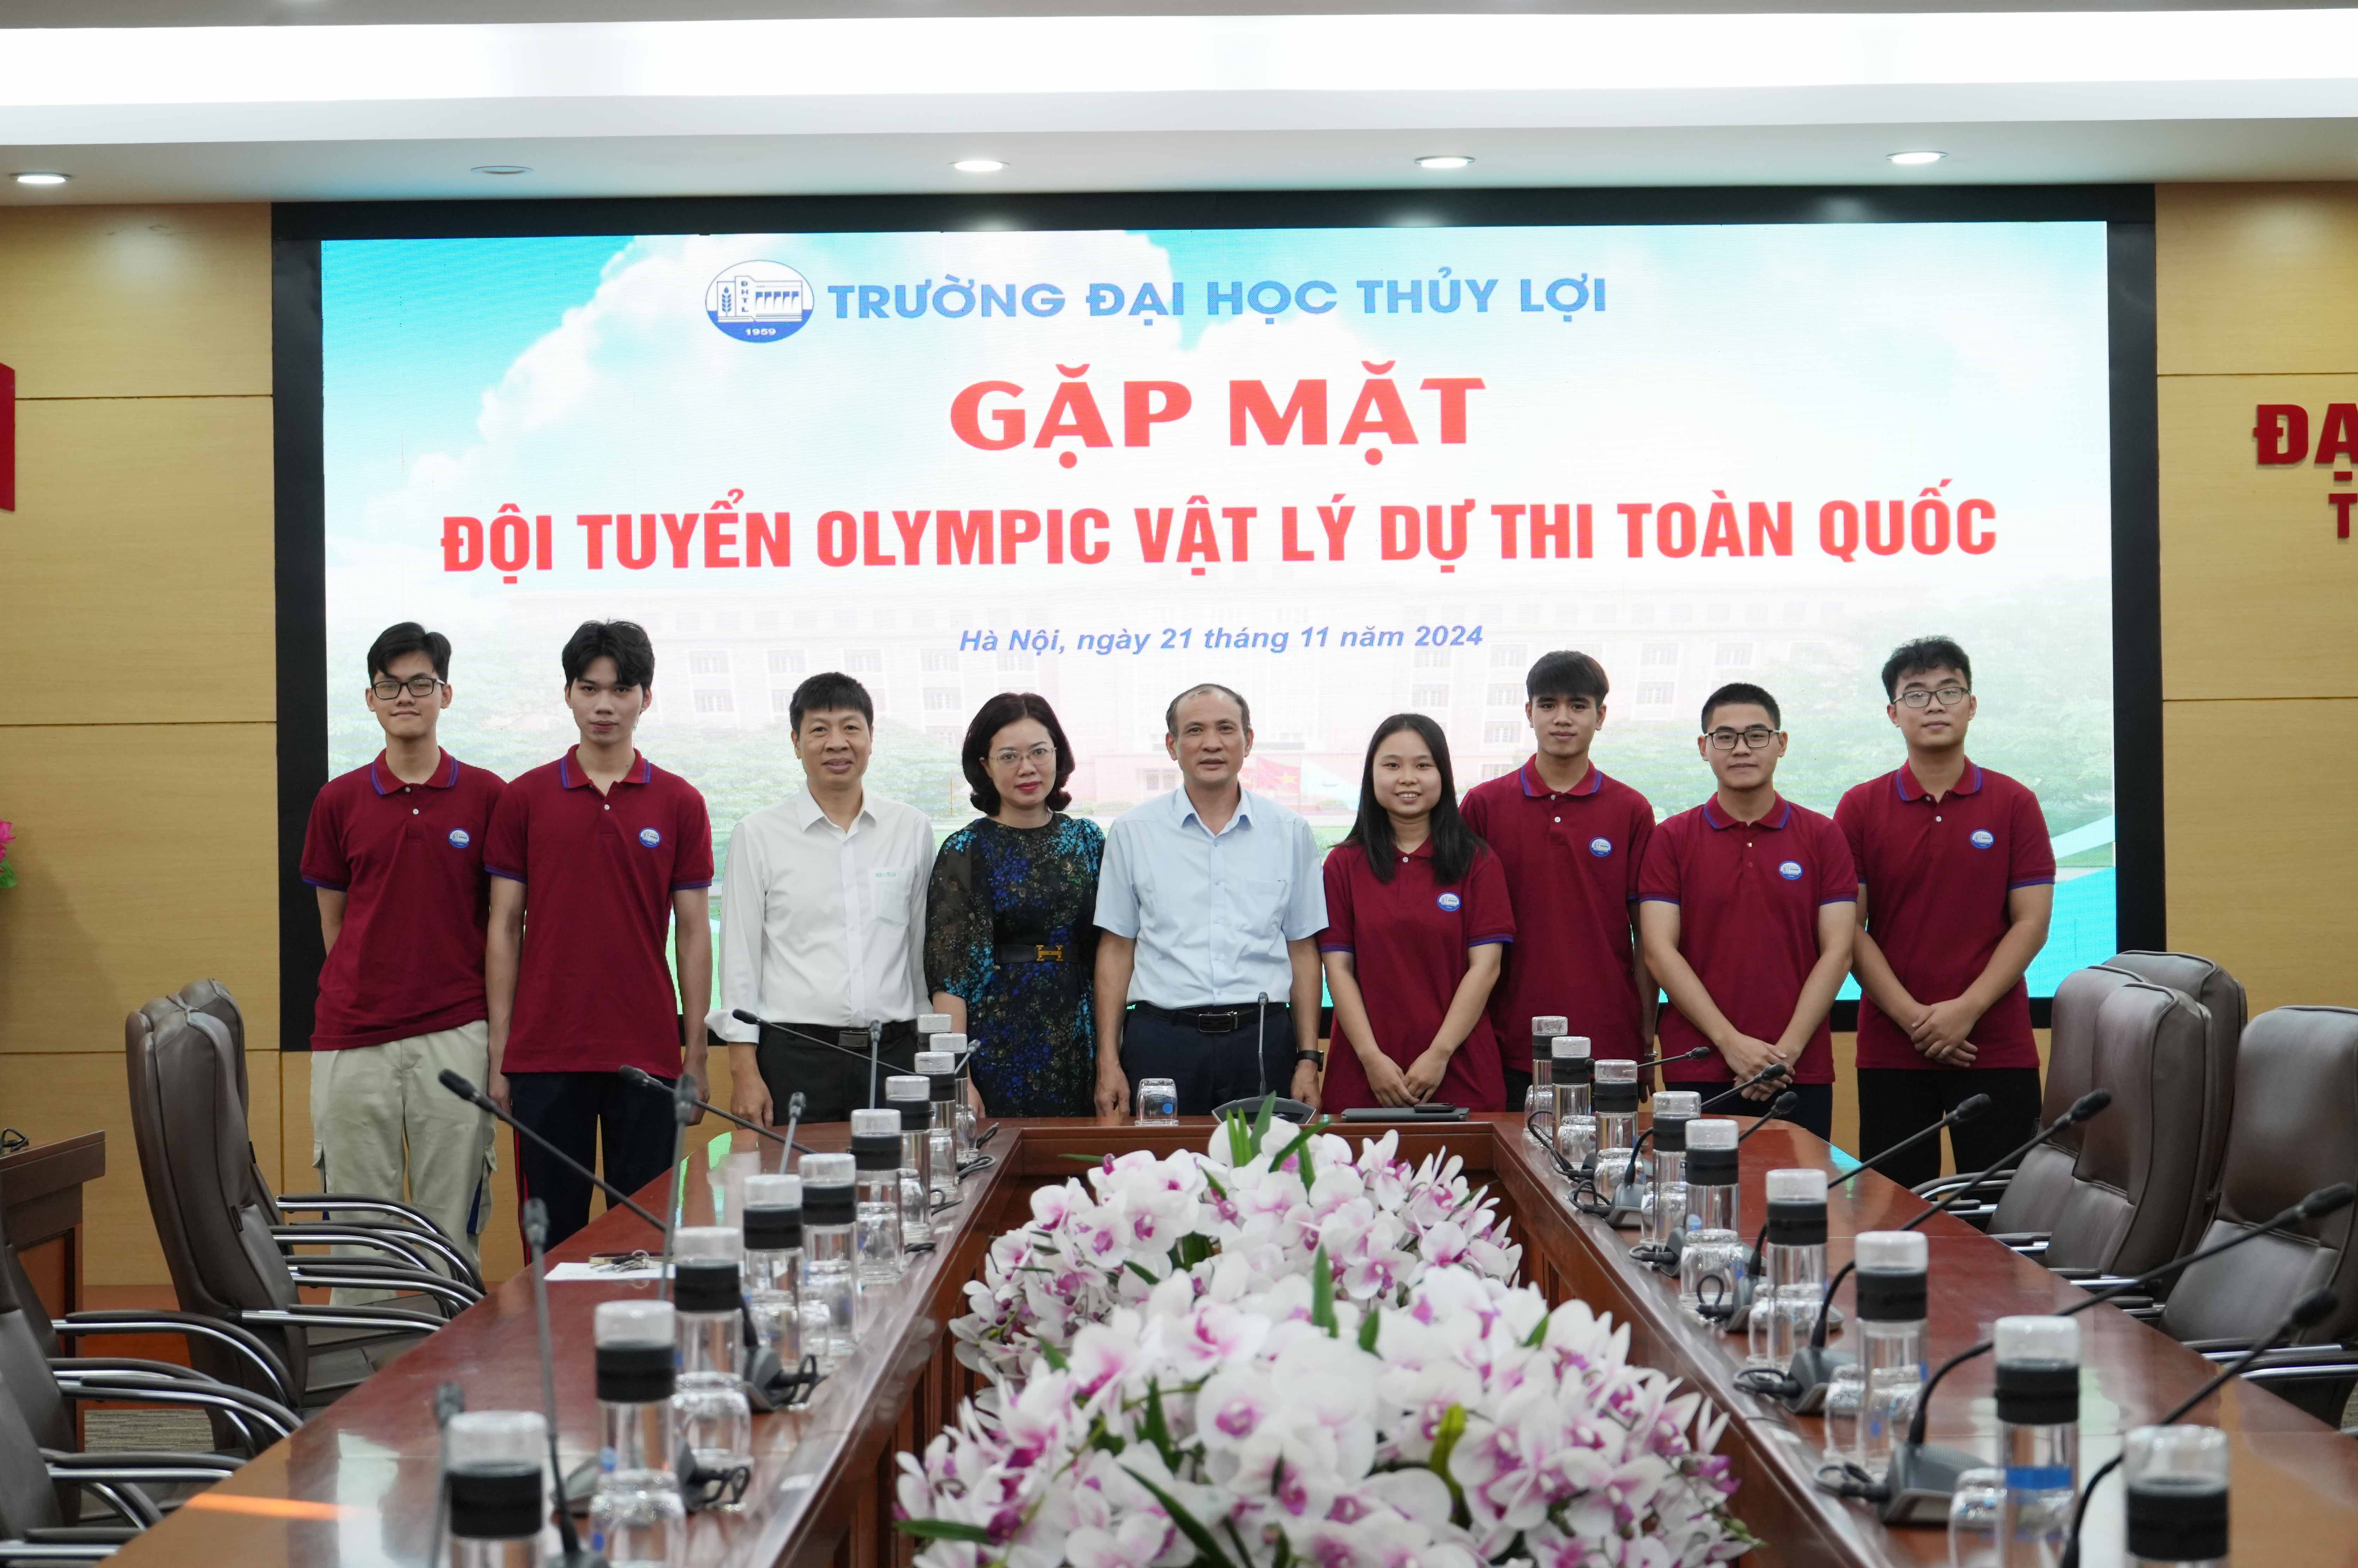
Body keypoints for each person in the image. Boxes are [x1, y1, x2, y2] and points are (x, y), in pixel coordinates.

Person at [484, 620, 713, 1246]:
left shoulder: (679, 802)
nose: (604, 705)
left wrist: (695, 1052)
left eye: (621, 689)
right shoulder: (524, 798)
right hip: (543, 1055)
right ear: (568, 694)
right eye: (589, 688)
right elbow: (503, 927)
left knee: (643, 1242)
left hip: (647, 1054)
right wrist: (500, 1051)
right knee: (552, 1245)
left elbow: (694, 933)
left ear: (646, 697)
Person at [299, 622, 502, 1278]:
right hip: (353, 1037)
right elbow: (334, 923)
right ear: (370, 699)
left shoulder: (488, 795)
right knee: (360, 1234)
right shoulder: (338, 800)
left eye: (420, 683)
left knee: (451, 1230)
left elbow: (504, 924)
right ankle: (370, 1348)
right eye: (389, 685)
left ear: (446, 693)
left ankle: (453, 1347)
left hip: (457, 1032)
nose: (405, 696)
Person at [1837, 637, 2056, 1187]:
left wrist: (1967, 1009)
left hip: (1994, 1042)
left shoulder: (2014, 803)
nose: (1934, 705)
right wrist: (1915, 1018)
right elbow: (1848, 929)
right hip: (1892, 1046)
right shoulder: (1860, 806)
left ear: (1972, 704)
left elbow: (2031, 923)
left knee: (2003, 1211)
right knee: (1894, 1210)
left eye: (1949, 691)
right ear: (1894, 713)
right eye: (1916, 694)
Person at [1093, 684, 1326, 1118]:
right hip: (1162, 1040)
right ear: (1172, 745)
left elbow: (1303, 948)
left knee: (1264, 1162)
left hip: (1262, 1039)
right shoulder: (1133, 831)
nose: (1212, 743)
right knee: (1158, 1161)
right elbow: (1116, 948)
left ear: (1248, 740)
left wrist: (1308, 1059)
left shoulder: (1290, 831)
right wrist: (1108, 1060)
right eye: (1195, 730)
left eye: (1226, 729)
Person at [1637, 682, 1856, 1140]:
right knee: (1696, 1188)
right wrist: (1730, 1044)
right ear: (1704, 747)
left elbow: (1838, 952)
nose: (1741, 748)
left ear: (1781, 743)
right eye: (1725, 737)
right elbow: (1658, 950)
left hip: (1799, 1069)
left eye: (1757, 735)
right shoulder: (1671, 839)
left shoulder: (1823, 836)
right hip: (1699, 1065)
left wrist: (1785, 1054)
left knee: (1797, 1188)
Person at [710, 672, 931, 1126]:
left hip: (893, 1055)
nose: (837, 743)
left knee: (902, 1171)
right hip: (796, 1057)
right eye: (819, 730)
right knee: (796, 1173)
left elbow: (921, 953)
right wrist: (743, 1069)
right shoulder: (758, 834)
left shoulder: (911, 828)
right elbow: (739, 960)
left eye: (851, 728)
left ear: (871, 737)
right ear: (796, 742)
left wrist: (930, 1050)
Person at [1461, 651, 1657, 1106]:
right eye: (1548, 705)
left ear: (1600, 716)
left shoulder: (1631, 809)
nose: (1562, 718)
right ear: (1529, 713)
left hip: (1608, 1041)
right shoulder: (1484, 805)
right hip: (1506, 1041)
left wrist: (1645, 1039)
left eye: (1578, 705)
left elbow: (1648, 938)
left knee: (1608, 1155)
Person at [1318, 715, 1514, 1113]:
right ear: (1371, 776)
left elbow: (1486, 967)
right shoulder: (1343, 864)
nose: (1408, 778)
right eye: (1392, 765)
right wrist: (1371, 1058)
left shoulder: (1477, 861)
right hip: (1365, 1073)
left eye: (1423, 765)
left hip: (1460, 1068)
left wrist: (1439, 1054)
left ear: (1443, 775)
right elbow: (1337, 969)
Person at [923, 693, 1104, 1117]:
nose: (1027, 768)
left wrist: (1110, 1055)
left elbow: (1110, 952)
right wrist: (959, 1077)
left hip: (1079, 1032)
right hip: (995, 1041)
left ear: (1058, 754)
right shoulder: (966, 848)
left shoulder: (1087, 840)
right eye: (1009, 756)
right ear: (985, 766)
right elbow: (949, 976)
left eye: (1039, 752)